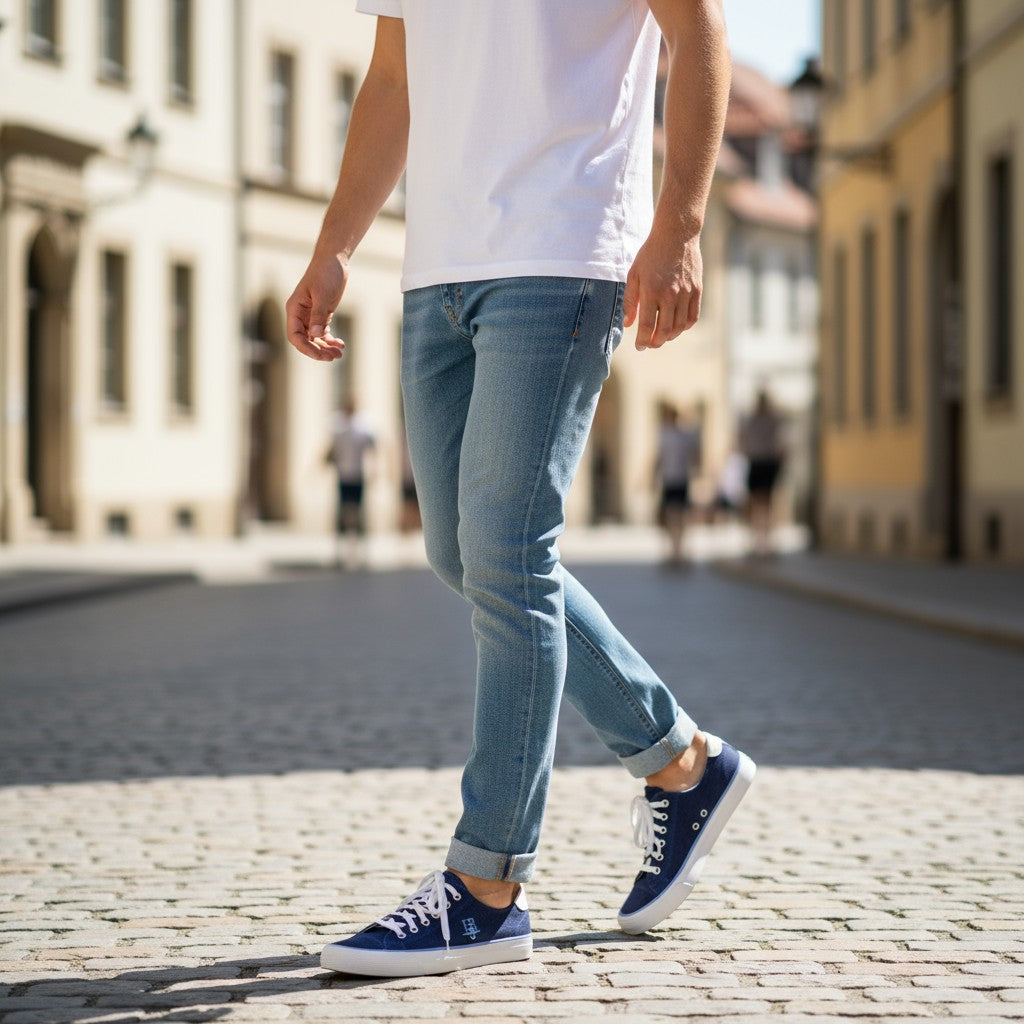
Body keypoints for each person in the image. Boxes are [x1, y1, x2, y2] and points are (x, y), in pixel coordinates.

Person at [286, 0, 755, 978]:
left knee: (506, 546)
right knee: (462, 552)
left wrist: (679, 222)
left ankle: (486, 885)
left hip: (562, 246)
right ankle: (682, 764)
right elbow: (392, 77)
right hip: (439, 265)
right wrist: (336, 241)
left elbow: (698, 28)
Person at [325, 398, 376, 568]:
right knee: (343, 513)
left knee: (357, 514)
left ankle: (358, 553)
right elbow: (331, 449)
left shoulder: (362, 427)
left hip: (356, 475)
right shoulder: (338, 426)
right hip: (344, 475)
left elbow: (372, 447)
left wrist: (374, 470)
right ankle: (341, 552)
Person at [739, 389, 786, 556]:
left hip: (763, 461)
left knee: (764, 503)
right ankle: (760, 539)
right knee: (761, 503)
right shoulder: (760, 419)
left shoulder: (767, 419)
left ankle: (763, 539)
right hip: (761, 461)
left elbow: (743, 440)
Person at [654, 403, 701, 566]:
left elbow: (660, 457)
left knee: (678, 516)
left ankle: (678, 550)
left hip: (678, 478)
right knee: (674, 516)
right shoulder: (672, 435)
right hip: (674, 478)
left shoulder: (679, 435)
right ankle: (675, 550)